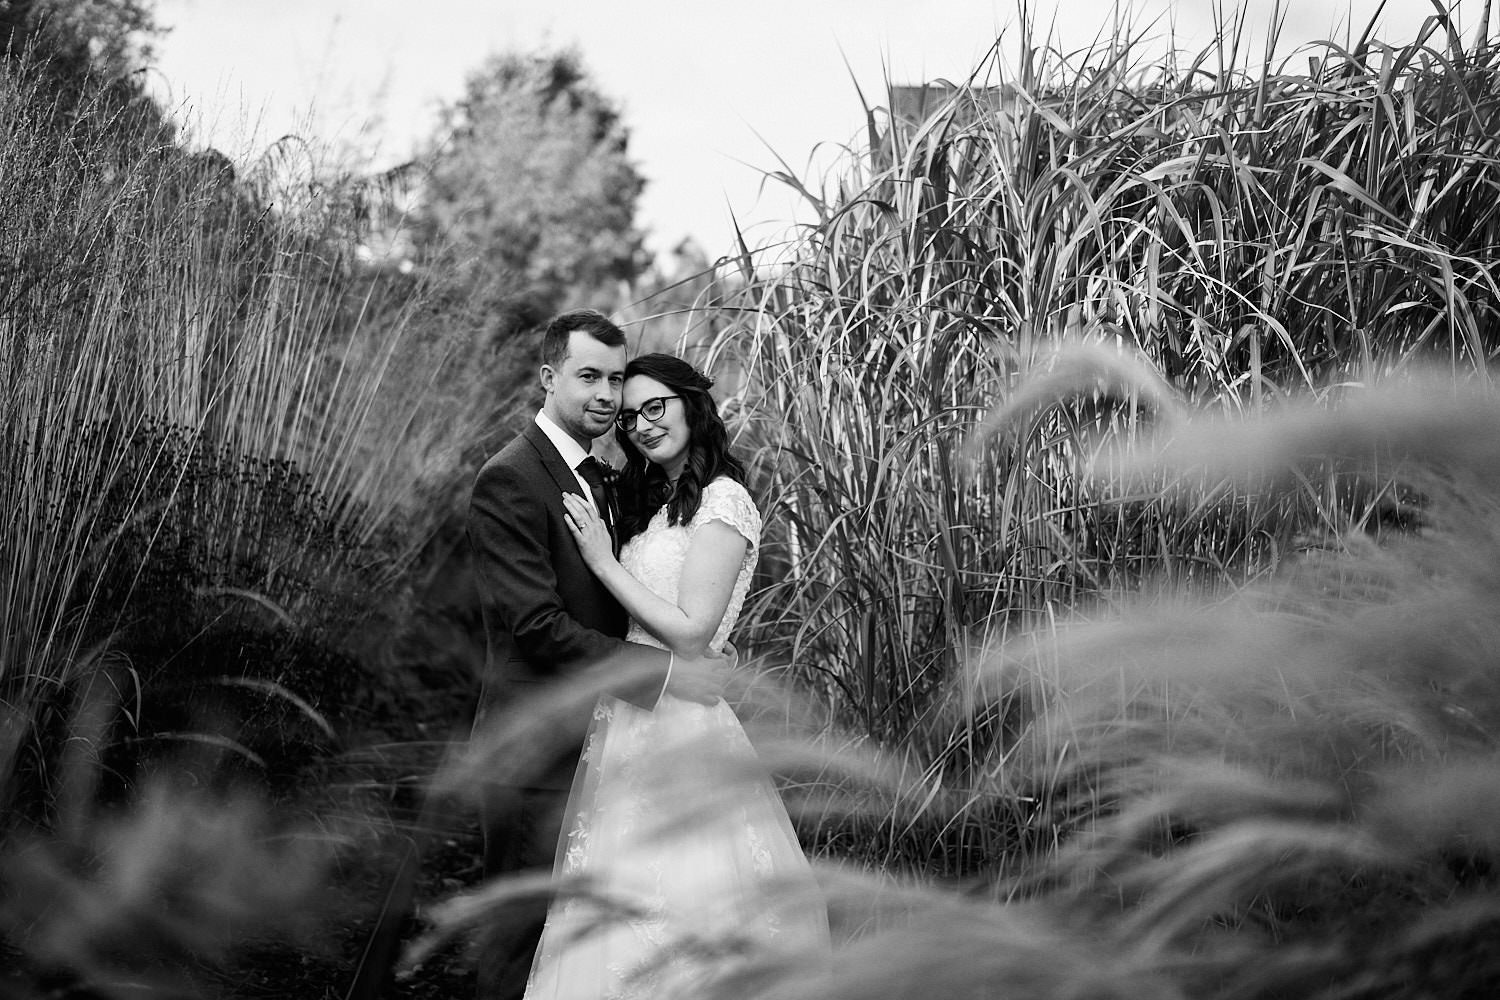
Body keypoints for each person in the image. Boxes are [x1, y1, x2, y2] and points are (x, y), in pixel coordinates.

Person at [522, 353, 830, 1000]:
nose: (641, 424)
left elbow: (692, 630)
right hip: (630, 718)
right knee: (613, 910)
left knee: (685, 906)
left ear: (691, 402)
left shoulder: (725, 500)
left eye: (655, 406)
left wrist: (604, 562)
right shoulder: (659, 504)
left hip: (682, 724)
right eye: (630, 415)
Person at [466, 312, 725, 1000]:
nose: (608, 395)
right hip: (539, 758)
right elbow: (539, 628)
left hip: (612, 752)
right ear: (550, 379)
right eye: (590, 377)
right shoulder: (511, 478)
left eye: (616, 378)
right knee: (521, 947)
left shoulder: (609, 474)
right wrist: (669, 675)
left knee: (585, 952)